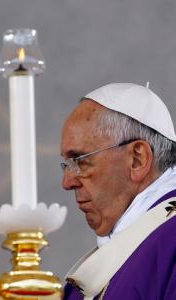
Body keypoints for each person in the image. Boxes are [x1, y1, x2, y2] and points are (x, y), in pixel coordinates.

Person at [60, 83, 176, 300]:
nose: (67, 182)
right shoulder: (92, 275)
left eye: (80, 161)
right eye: (66, 164)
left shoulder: (171, 241)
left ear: (137, 160)